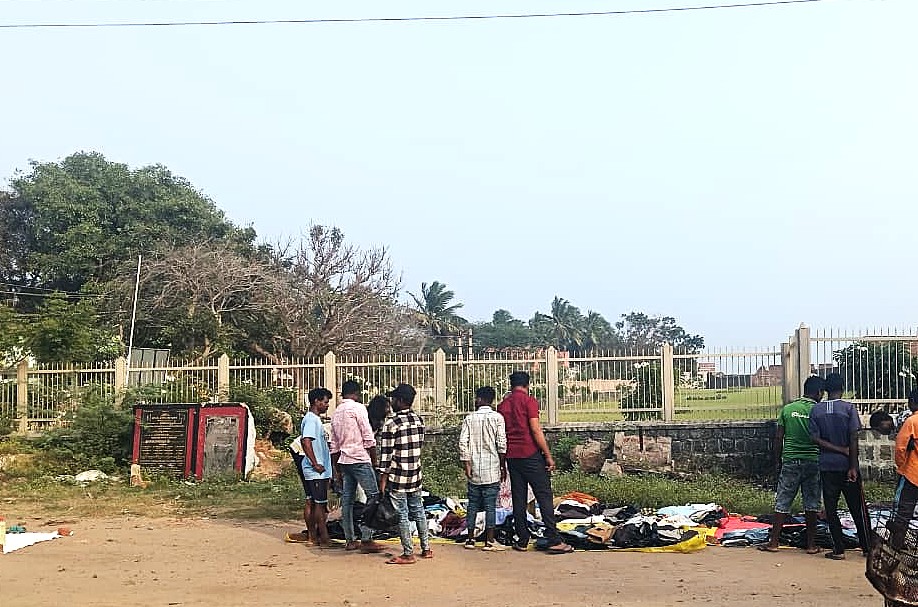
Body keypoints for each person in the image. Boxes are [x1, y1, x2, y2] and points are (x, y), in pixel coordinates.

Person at [498, 371, 573, 554]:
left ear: (511, 385)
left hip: (512, 456)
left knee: (519, 498)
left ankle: (522, 539)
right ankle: (554, 540)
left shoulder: (502, 405)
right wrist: (548, 455)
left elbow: (501, 435)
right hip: (530, 453)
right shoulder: (529, 401)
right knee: (544, 495)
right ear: (527, 385)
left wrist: (502, 461)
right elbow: (535, 430)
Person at [759, 375, 824, 554]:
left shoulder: (788, 409)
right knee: (812, 503)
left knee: (782, 501)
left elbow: (779, 437)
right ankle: (811, 545)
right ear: (819, 392)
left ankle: (773, 543)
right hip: (813, 460)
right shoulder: (819, 411)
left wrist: (777, 460)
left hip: (790, 460)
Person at [808, 373, 869, 559]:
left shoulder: (816, 410)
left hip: (827, 466)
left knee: (831, 509)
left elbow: (815, 438)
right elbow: (853, 437)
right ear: (842, 388)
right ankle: (867, 547)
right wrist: (852, 465)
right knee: (857, 508)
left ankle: (839, 549)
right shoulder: (849, 408)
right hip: (847, 466)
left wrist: (835, 449)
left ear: (825, 390)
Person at [329, 380, 385, 554]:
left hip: (344, 461)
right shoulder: (358, 408)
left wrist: (337, 469)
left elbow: (334, 445)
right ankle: (367, 538)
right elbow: (369, 438)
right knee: (373, 497)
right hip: (360, 458)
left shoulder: (336, 412)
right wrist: (374, 462)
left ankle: (350, 539)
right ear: (356, 393)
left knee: (347, 501)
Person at [378, 383, 431, 565]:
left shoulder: (391, 424)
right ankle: (426, 548)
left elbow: (386, 456)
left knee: (402, 514)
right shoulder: (418, 420)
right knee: (418, 510)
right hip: (415, 475)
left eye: (393, 399)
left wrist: (382, 480)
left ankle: (408, 553)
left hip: (398, 477)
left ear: (400, 401)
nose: (391, 402)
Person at [459, 386, 507, 551]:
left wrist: (467, 464)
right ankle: (489, 541)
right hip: (492, 469)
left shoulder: (469, 419)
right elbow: (502, 444)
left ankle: (470, 539)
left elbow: (463, 443)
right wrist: (502, 466)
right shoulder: (497, 418)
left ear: (479, 399)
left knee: (472, 505)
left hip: (474, 470)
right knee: (490, 506)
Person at [286, 388, 333, 545]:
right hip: (316, 470)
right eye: (325, 402)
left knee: (312, 501)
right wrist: (315, 463)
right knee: (319, 503)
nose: (327, 405)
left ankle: (313, 536)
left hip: (316, 469)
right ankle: (322, 537)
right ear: (316, 402)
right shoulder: (312, 420)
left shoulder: (314, 420)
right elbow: (306, 441)